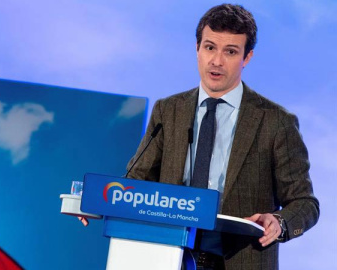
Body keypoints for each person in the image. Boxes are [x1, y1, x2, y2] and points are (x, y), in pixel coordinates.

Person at [124, 4, 319, 270]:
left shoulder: (276, 122)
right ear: (197, 48)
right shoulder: (168, 111)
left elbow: (305, 202)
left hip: (241, 260)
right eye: (209, 47)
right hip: (168, 257)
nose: (216, 61)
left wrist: (279, 222)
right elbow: (136, 180)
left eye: (230, 51)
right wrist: (97, 203)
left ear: (247, 57)